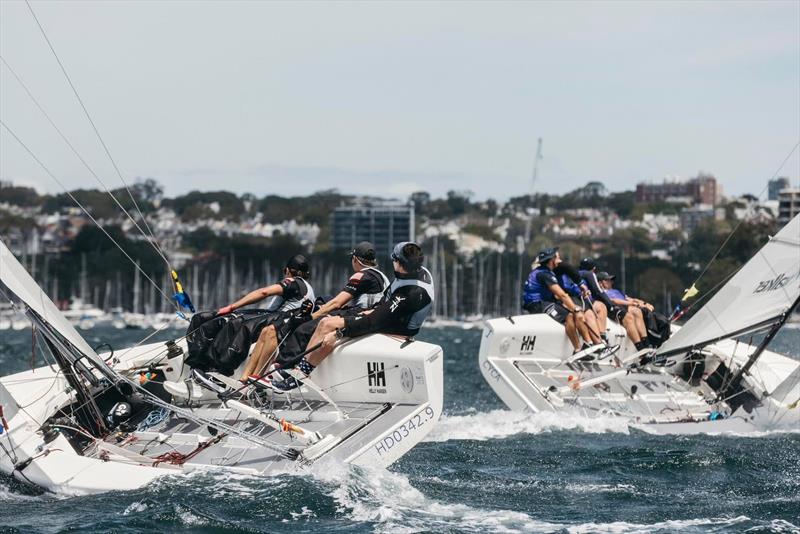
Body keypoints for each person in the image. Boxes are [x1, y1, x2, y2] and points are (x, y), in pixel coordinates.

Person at [269, 241, 434, 393]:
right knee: (327, 323)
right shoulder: (415, 272)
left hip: (396, 329)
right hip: (388, 316)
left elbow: (375, 322)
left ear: (398, 262)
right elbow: (384, 309)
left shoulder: (412, 293)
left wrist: (342, 331)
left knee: (328, 328)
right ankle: (297, 370)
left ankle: (299, 376)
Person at [240, 241, 389, 381]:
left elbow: (338, 302)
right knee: (324, 301)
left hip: (361, 314)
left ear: (356, 260)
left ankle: (282, 368)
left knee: (304, 328)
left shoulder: (361, 275)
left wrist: (313, 316)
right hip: (375, 318)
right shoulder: (383, 277)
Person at [522, 247, 602, 355]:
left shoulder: (546, 271)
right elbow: (562, 294)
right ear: (552, 260)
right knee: (570, 316)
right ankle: (578, 350)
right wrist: (575, 308)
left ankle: (588, 344)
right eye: (558, 257)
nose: (560, 261)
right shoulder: (544, 274)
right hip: (536, 304)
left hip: (544, 302)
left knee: (574, 314)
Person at [597, 271, 653, 351]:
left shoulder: (616, 291)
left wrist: (644, 303)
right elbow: (614, 300)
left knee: (639, 311)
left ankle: (647, 343)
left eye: (611, 280)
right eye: (607, 280)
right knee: (635, 311)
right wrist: (633, 304)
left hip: (627, 306)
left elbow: (629, 298)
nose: (610, 282)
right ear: (600, 283)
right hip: (620, 308)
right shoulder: (602, 293)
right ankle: (642, 346)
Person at [578, 257, 615, 336]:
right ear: (594, 268)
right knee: (602, 307)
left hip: (575, 302)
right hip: (584, 302)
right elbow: (598, 291)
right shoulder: (590, 274)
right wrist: (611, 305)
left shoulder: (576, 273)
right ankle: (602, 335)